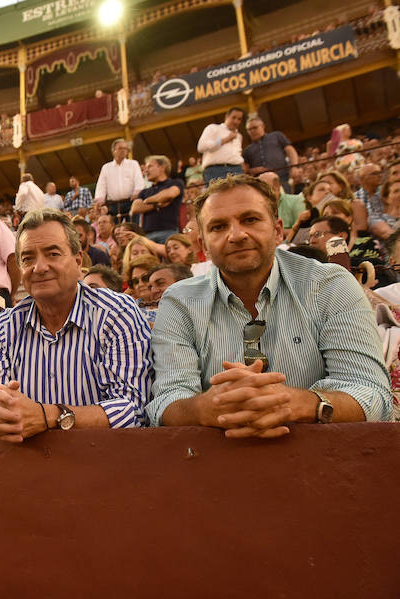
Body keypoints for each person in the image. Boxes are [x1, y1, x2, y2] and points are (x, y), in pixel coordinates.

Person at [148, 175, 392, 437]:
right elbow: (167, 399)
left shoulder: (329, 284)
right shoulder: (180, 301)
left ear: (277, 230)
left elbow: (371, 393)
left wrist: (297, 404)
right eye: (218, 226)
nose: (236, 235)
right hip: (222, 460)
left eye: (250, 220)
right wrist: (204, 408)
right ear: (203, 246)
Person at [0, 208, 152, 441]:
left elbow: (134, 410)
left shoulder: (117, 313)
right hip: (24, 463)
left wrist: (50, 416)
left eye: (53, 254)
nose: (39, 267)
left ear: (78, 262)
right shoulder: (4, 326)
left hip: (105, 464)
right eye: (27, 258)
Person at [129, 155, 184, 243]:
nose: (146, 170)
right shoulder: (144, 191)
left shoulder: (176, 182)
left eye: (150, 166)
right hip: (147, 236)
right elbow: (135, 208)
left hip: (168, 232)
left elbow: (170, 194)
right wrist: (156, 204)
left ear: (162, 167)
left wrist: (146, 201)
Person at [242, 117, 300, 186]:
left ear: (263, 126)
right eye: (249, 129)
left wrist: (294, 167)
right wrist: (252, 170)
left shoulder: (276, 136)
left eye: (255, 128)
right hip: (261, 184)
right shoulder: (247, 150)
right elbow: (245, 170)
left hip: (282, 178)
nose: (252, 131)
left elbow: (290, 151)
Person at [95, 138, 143, 221]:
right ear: (114, 151)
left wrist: (138, 193)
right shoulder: (106, 167)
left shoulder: (133, 164)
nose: (123, 150)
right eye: (120, 148)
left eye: (125, 148)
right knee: (115, 230)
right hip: (113, 205)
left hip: (131, 202)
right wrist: (100, 199)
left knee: (133, 228)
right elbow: (101, 185)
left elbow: (139, 180)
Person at [197, 107, 245, 184]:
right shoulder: (213, 128)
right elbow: (201, 147)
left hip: (237, 169)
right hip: (216, 170)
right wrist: (225, 139)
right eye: (233, 117)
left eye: (239, 119)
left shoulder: (239, 136)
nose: (236, 121)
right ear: (227, 116)